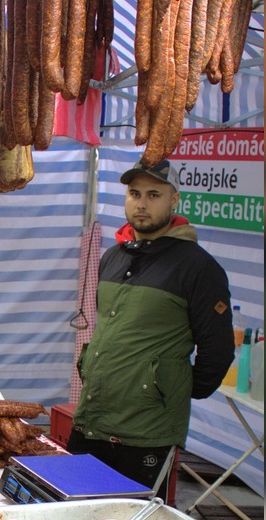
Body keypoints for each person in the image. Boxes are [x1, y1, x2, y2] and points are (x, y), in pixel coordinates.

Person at [68, 159, 235, 500]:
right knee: (69, 518)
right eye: (134, 193)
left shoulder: (198, 267)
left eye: (154, 194)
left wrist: (166, 388)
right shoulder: (113, 257)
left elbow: (217, 350)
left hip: (145, 432)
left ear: (174, 201)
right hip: (92, 419)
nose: (142, 203)